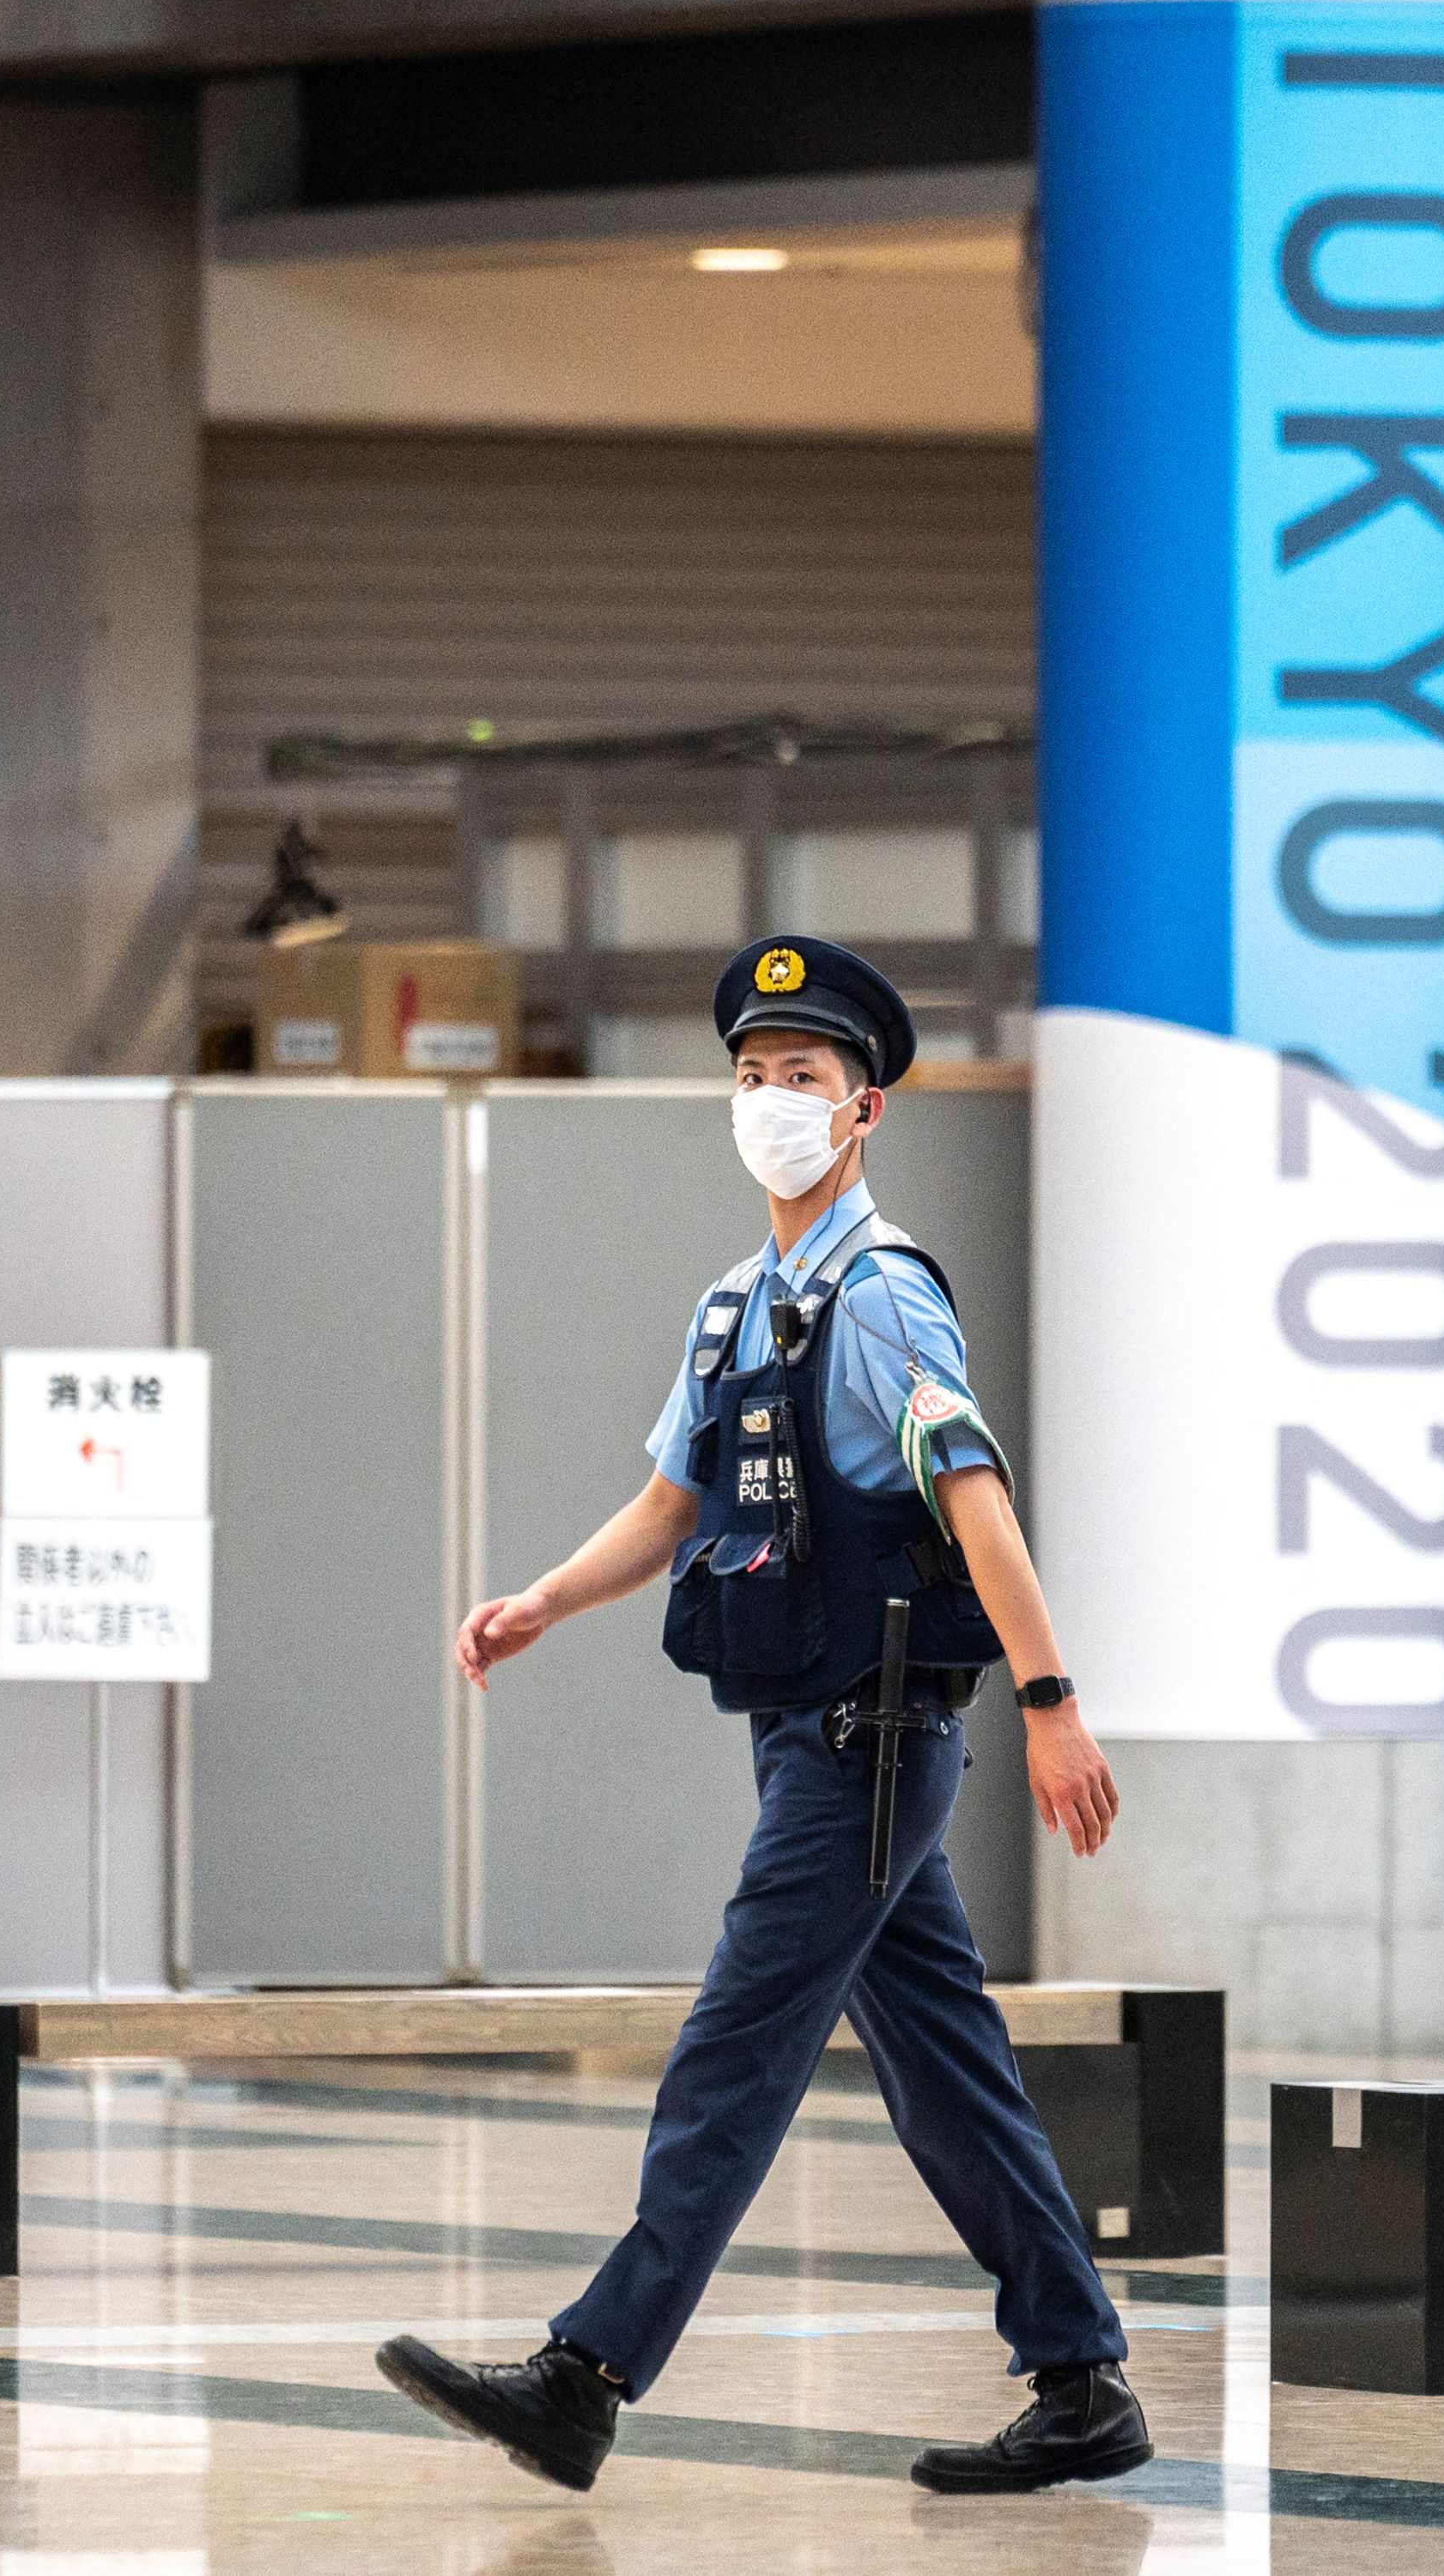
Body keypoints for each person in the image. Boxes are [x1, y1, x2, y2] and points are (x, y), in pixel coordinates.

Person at [376, 935, 1150, 2496]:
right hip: (812, 1738)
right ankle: (1082, 2381)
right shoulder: (736, 1305)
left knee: (734, 2046)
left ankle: (587, 2373)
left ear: (864, 1109)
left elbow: (975, 1496)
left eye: (801, 1076)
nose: (769, 1099)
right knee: (945, 2070)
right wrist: (542, 1600)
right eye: (749, 1073)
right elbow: (675, 1501)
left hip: (873, 1747)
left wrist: (1051, 1701)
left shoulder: (882, 1295)